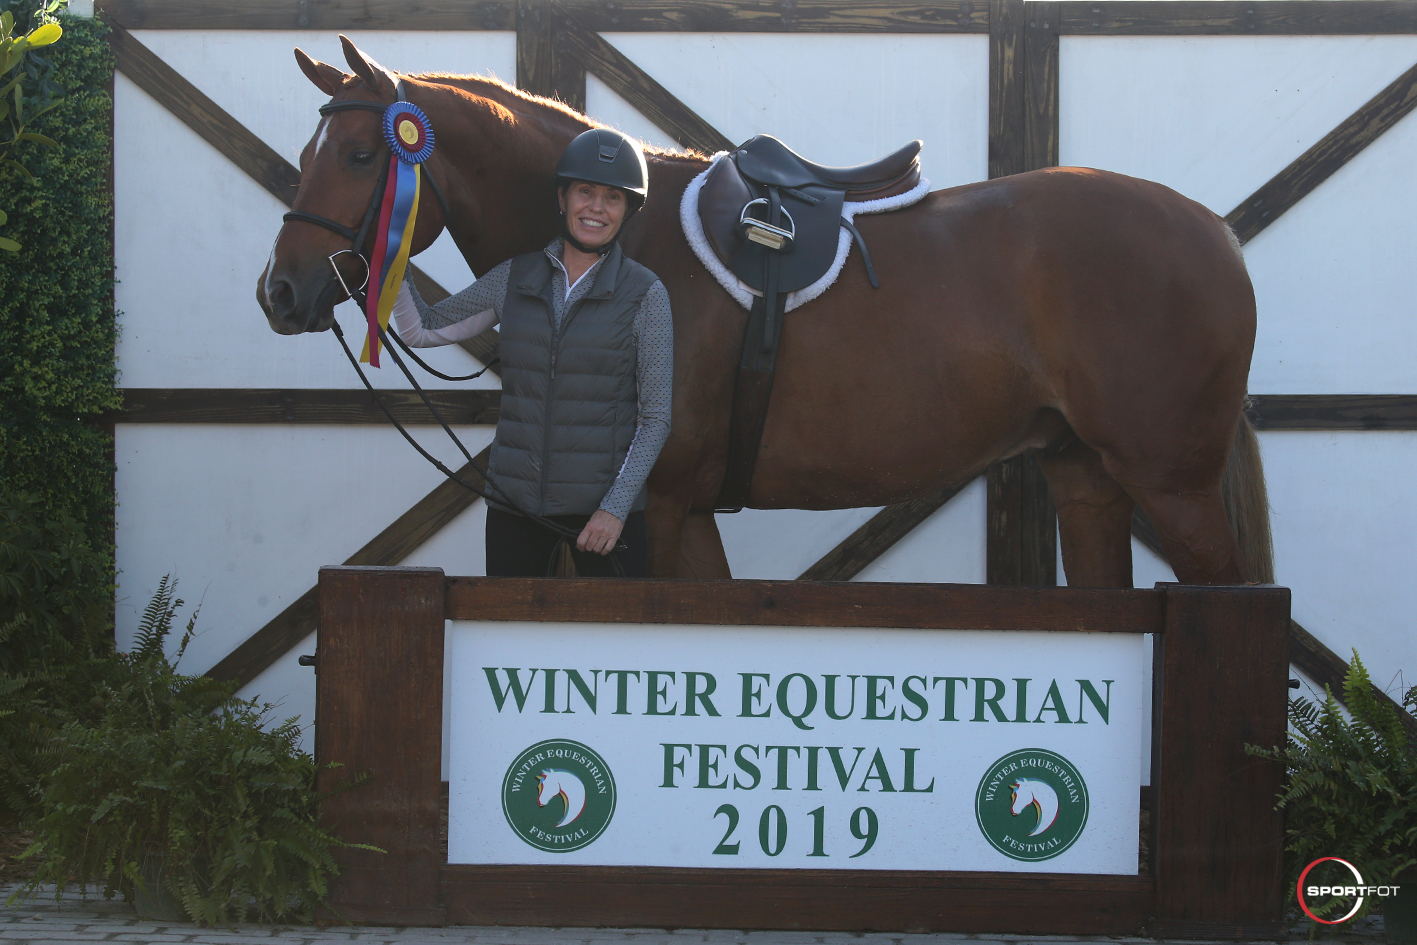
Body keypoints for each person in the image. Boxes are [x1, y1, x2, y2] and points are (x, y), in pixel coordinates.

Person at [391, 128, 672, 578]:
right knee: (508, 636)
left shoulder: (646, 295)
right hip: (514, 508)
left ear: (627, 211)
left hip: (602, 518)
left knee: (616, 645)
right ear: (563, 198)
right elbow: (422, 328)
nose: (596, 208)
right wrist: (391, 259)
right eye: (585, 191)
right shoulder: (513, 277)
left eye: (613, 198)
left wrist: (615, 510)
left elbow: (655, 417)